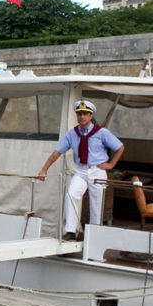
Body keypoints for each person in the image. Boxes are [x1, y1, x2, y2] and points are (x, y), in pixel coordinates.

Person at [37, 100, 124, 241]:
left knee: (96, 203)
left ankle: (94, 234)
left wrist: (111, 165)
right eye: (79, 114)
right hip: (82, 170)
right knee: (71, 194)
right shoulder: (72, 134)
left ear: (90, 116)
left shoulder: (101, 132)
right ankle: (71, 231)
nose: (82, 117)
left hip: (97, 170)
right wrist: (44, 169)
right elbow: (57, 152)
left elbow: (119, 147)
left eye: (85, 114)